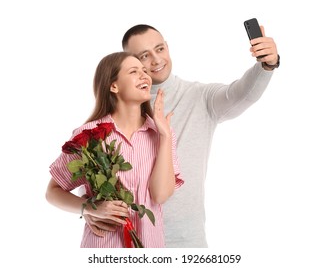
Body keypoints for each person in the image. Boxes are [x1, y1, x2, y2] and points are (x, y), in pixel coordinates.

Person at [84, 23, 280, 247]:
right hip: (126, 241)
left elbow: (241, 94)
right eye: (144, 56)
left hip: (187, 243)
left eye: (160, 49)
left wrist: (266, 65)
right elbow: (91, 181)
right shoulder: (116, 115)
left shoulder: (200, 97)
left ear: (167, 47)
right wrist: (88, 208)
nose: (156, 60)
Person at [46, 51, 183, 248]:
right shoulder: (89, 136)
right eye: (134, 71)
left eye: (145, 71)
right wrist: (88, 209)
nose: (145, 75)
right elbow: (53, 191)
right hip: (104, 248)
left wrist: (165, 136)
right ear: (114, 85)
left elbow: (160, 195)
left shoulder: (161, 134)